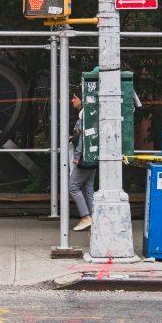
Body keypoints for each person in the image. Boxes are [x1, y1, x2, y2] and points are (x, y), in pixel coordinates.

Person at [69, 91, 97, 231]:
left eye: (75, 98)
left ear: (82, 99)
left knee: (73, 186)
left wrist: (76, 156)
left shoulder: (84, 115)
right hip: (93, 156)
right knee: (88, 188)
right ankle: (94, 219)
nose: (72, 100)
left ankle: (86, 217)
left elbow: (83, 138)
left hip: (84, 157)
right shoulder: (92, 112)